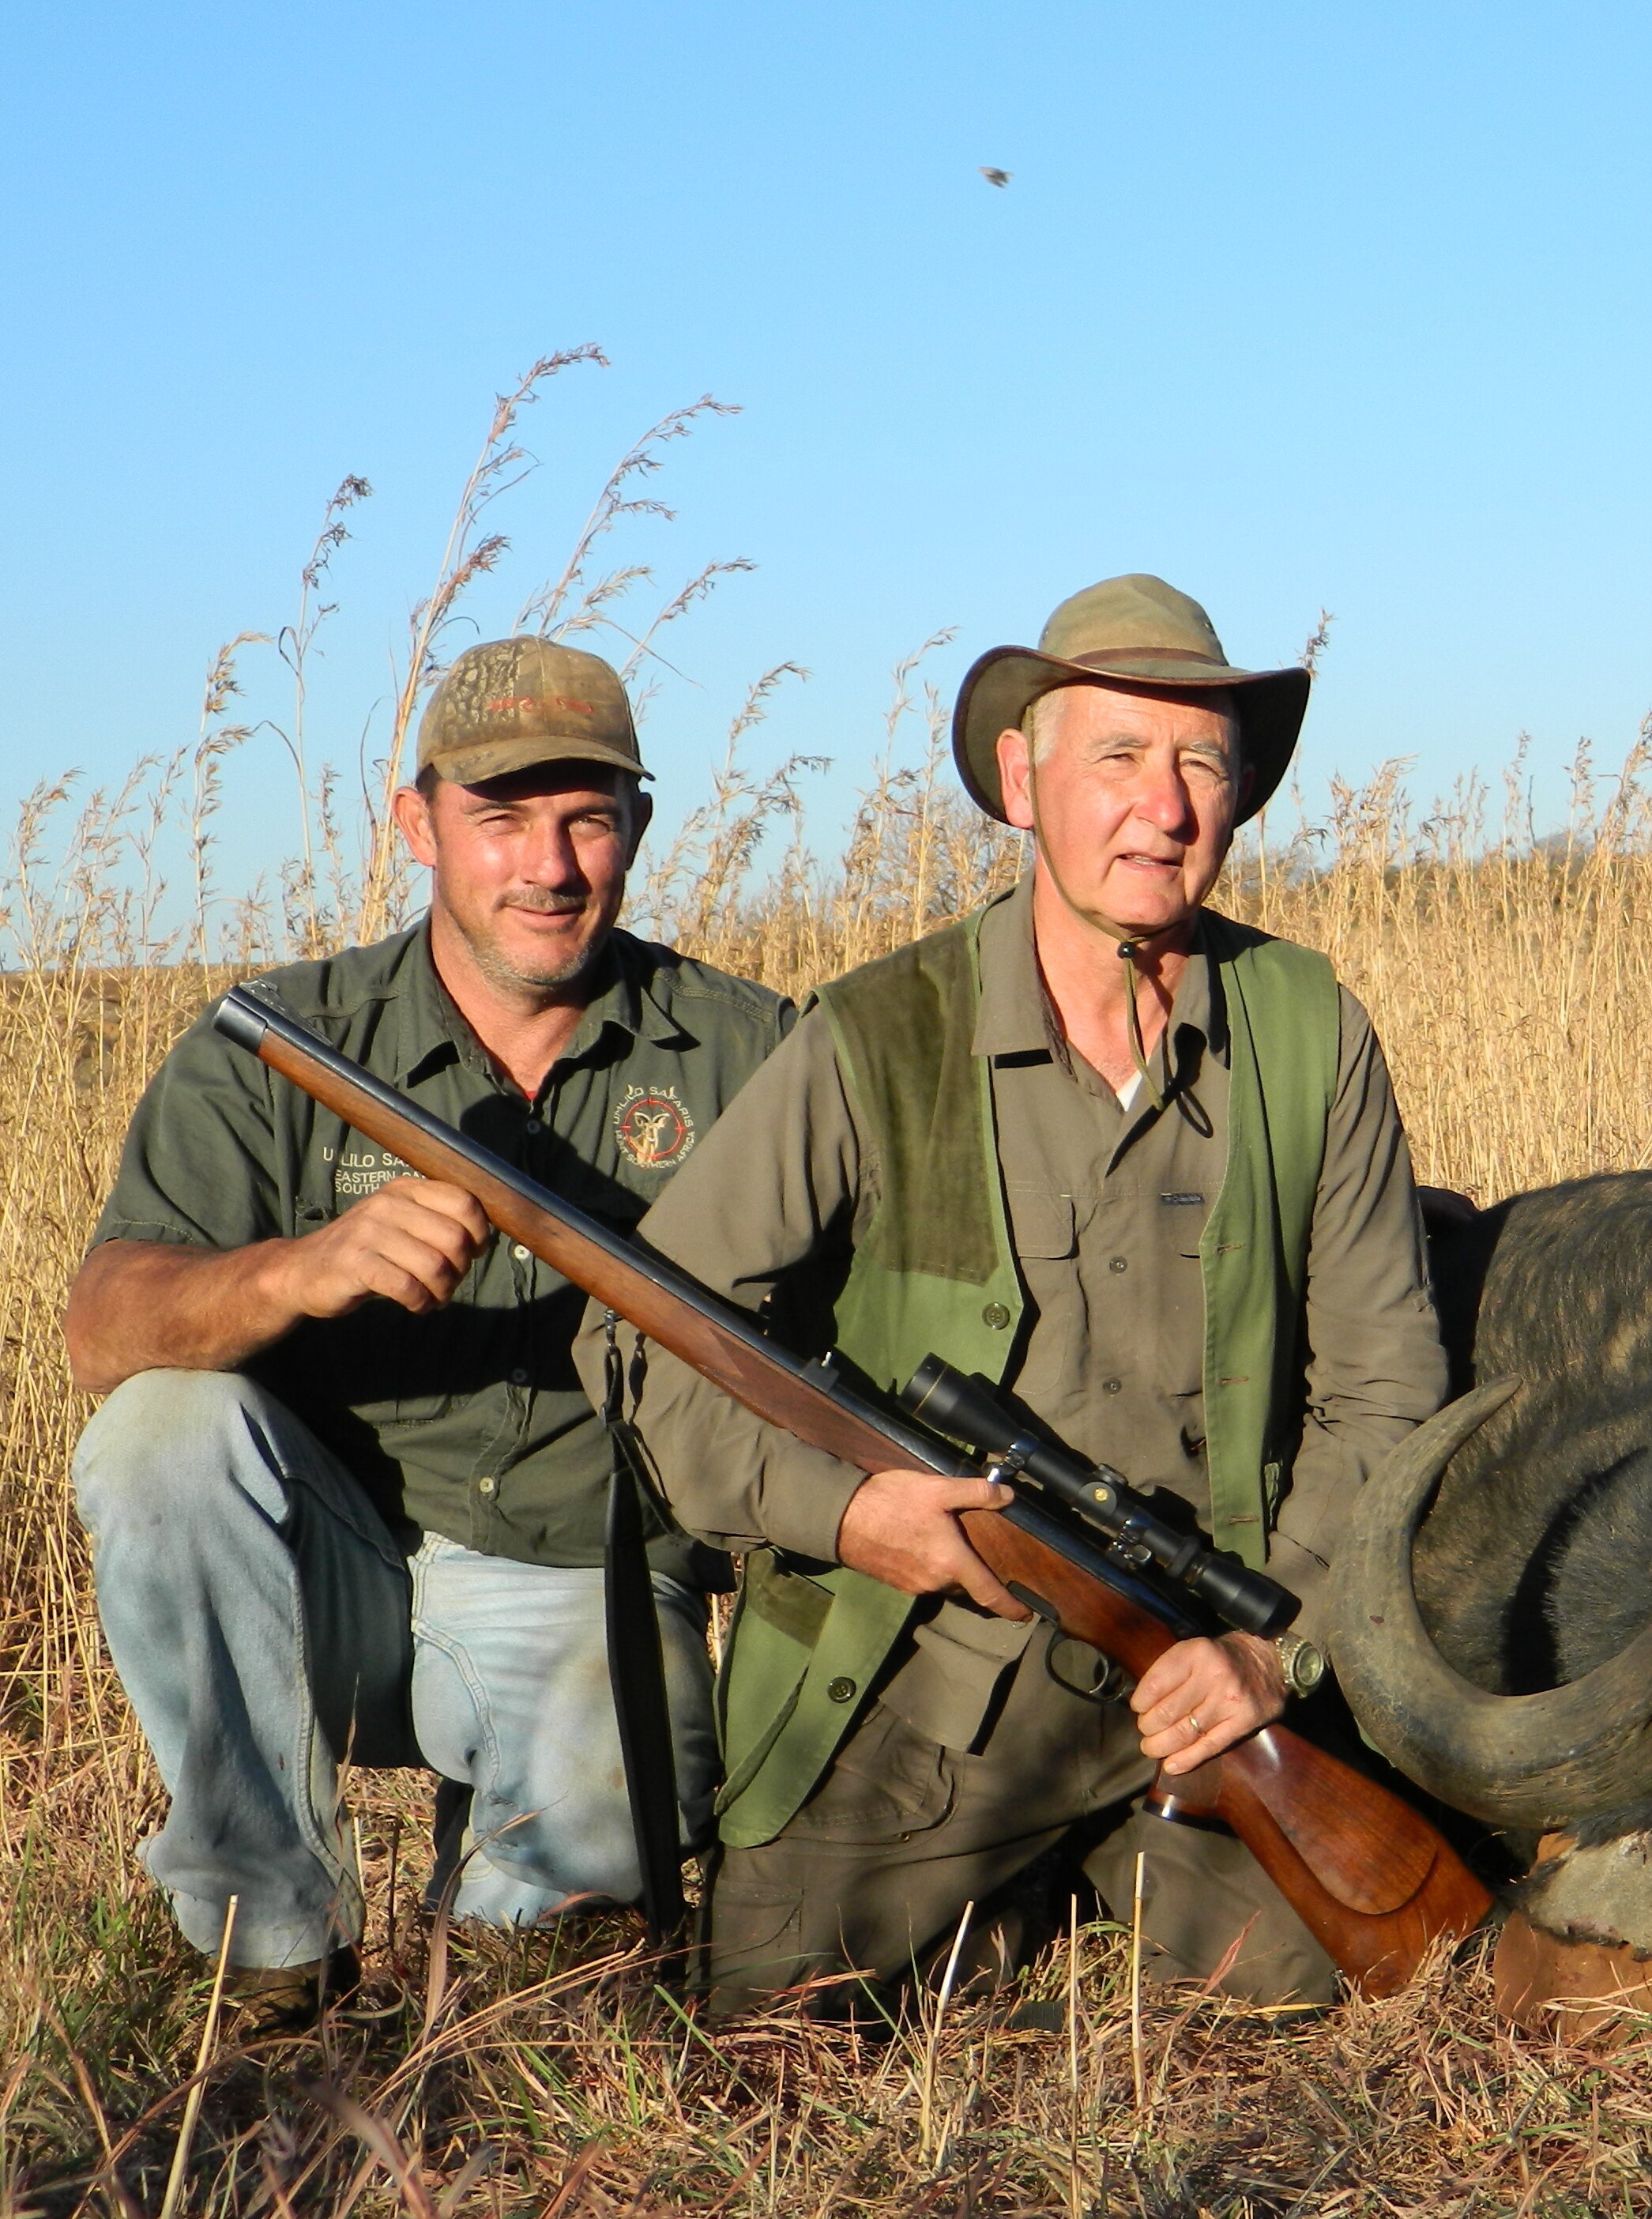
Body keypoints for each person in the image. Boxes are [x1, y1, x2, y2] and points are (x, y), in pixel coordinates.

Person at [609, 574, 1447, 2021]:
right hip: (933, 1673)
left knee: (1357, 1987)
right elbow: (646, 1343)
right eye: (1117, 756)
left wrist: (1270, 1648)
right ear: (1021, 781)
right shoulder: (876, 1033)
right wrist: (850, 1514)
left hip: (1203, 1671)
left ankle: (1069, 1903)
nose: (1164, 805)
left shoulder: (1312, 1030)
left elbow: (1388, 1393)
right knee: (774, 2013)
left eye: (1202, 762)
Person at [67, 636, 796, 2036]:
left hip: (577, 1578)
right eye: (501, 818)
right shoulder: (285, 1036)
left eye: (589, 818)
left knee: (554, 1992)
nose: (550, 866)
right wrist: (301, 1272)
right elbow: (100, 1326)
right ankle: (270, 1942)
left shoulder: (747, 1047)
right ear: (418, 825)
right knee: (160, 1429)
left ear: (639, 825)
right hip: (318, 1572)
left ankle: (506, 1927)